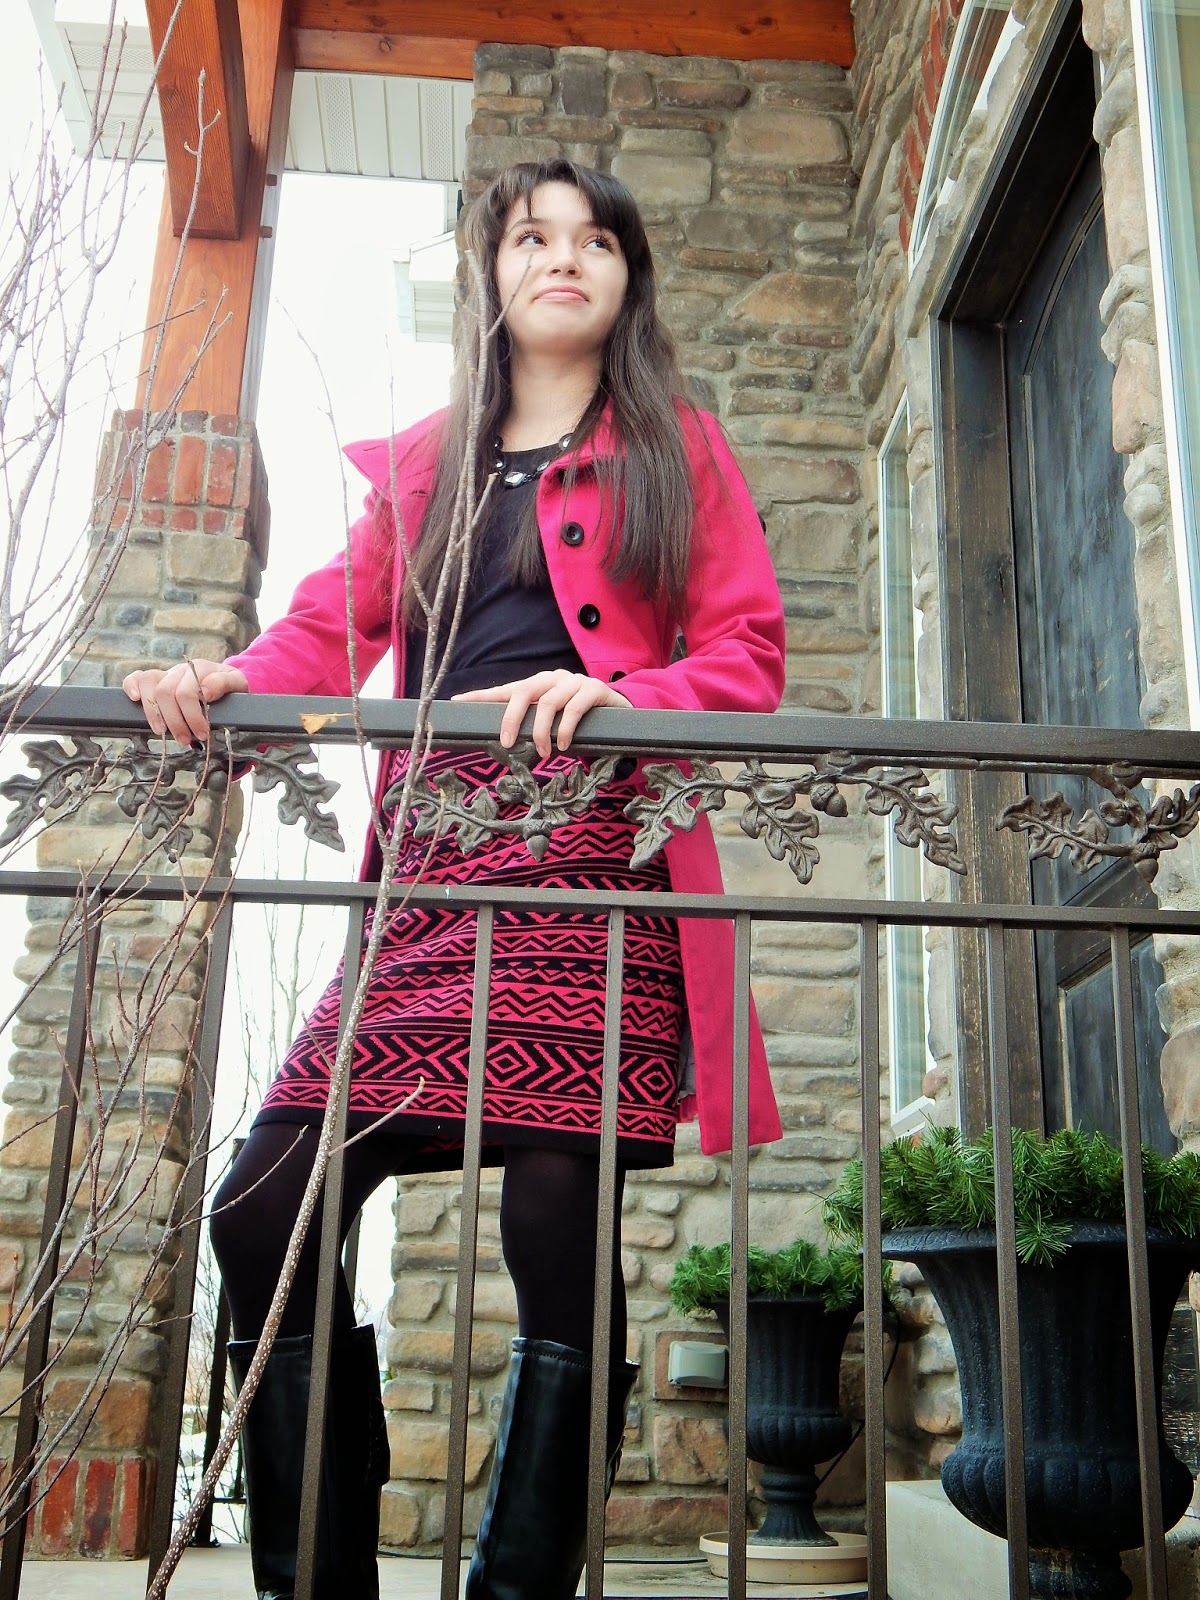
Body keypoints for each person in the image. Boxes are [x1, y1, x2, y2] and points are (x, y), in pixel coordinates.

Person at [124, 159, 787, 1600]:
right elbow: (327, 631)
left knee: (555, 1218)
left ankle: (518, 1591)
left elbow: (748, 655)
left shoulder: (678, 450)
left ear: (628, 277)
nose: (564, 258)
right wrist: (231, 678)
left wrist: (624, 697)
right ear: (493, 271)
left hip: (596, 868)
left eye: (597, 239)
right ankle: (321, 1578)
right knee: (266, 1200)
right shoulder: (427, 464)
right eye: (533, 237)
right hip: (429, 874)